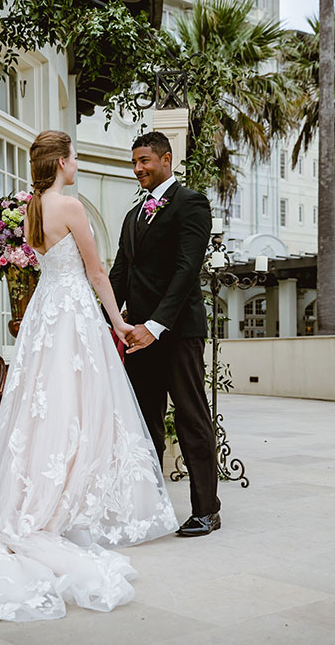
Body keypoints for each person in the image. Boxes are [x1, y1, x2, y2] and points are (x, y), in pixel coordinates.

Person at [0, 130, 177, 623]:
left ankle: (43, 495)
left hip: (43, 316)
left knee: (42, 408)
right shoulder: (69, 206)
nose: (75, 165)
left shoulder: (31, 209)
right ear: (60, 163)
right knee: (79, 405)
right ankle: (66, 500)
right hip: (72, 315)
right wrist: (119, 323)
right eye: (73, 158)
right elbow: (98, 273)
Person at [109, 131, 221, 537]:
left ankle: (207, 508)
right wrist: (104, 318)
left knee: (191, 418)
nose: (138, 168)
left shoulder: (191, 204)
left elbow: (186, 270)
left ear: (166, 159)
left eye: (145, 160)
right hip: (138, 335)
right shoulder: (132, 215)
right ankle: (151, 506)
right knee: (146, 424)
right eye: (135, 161)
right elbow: (121, 273)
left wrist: (156, 325)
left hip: (176, 333)